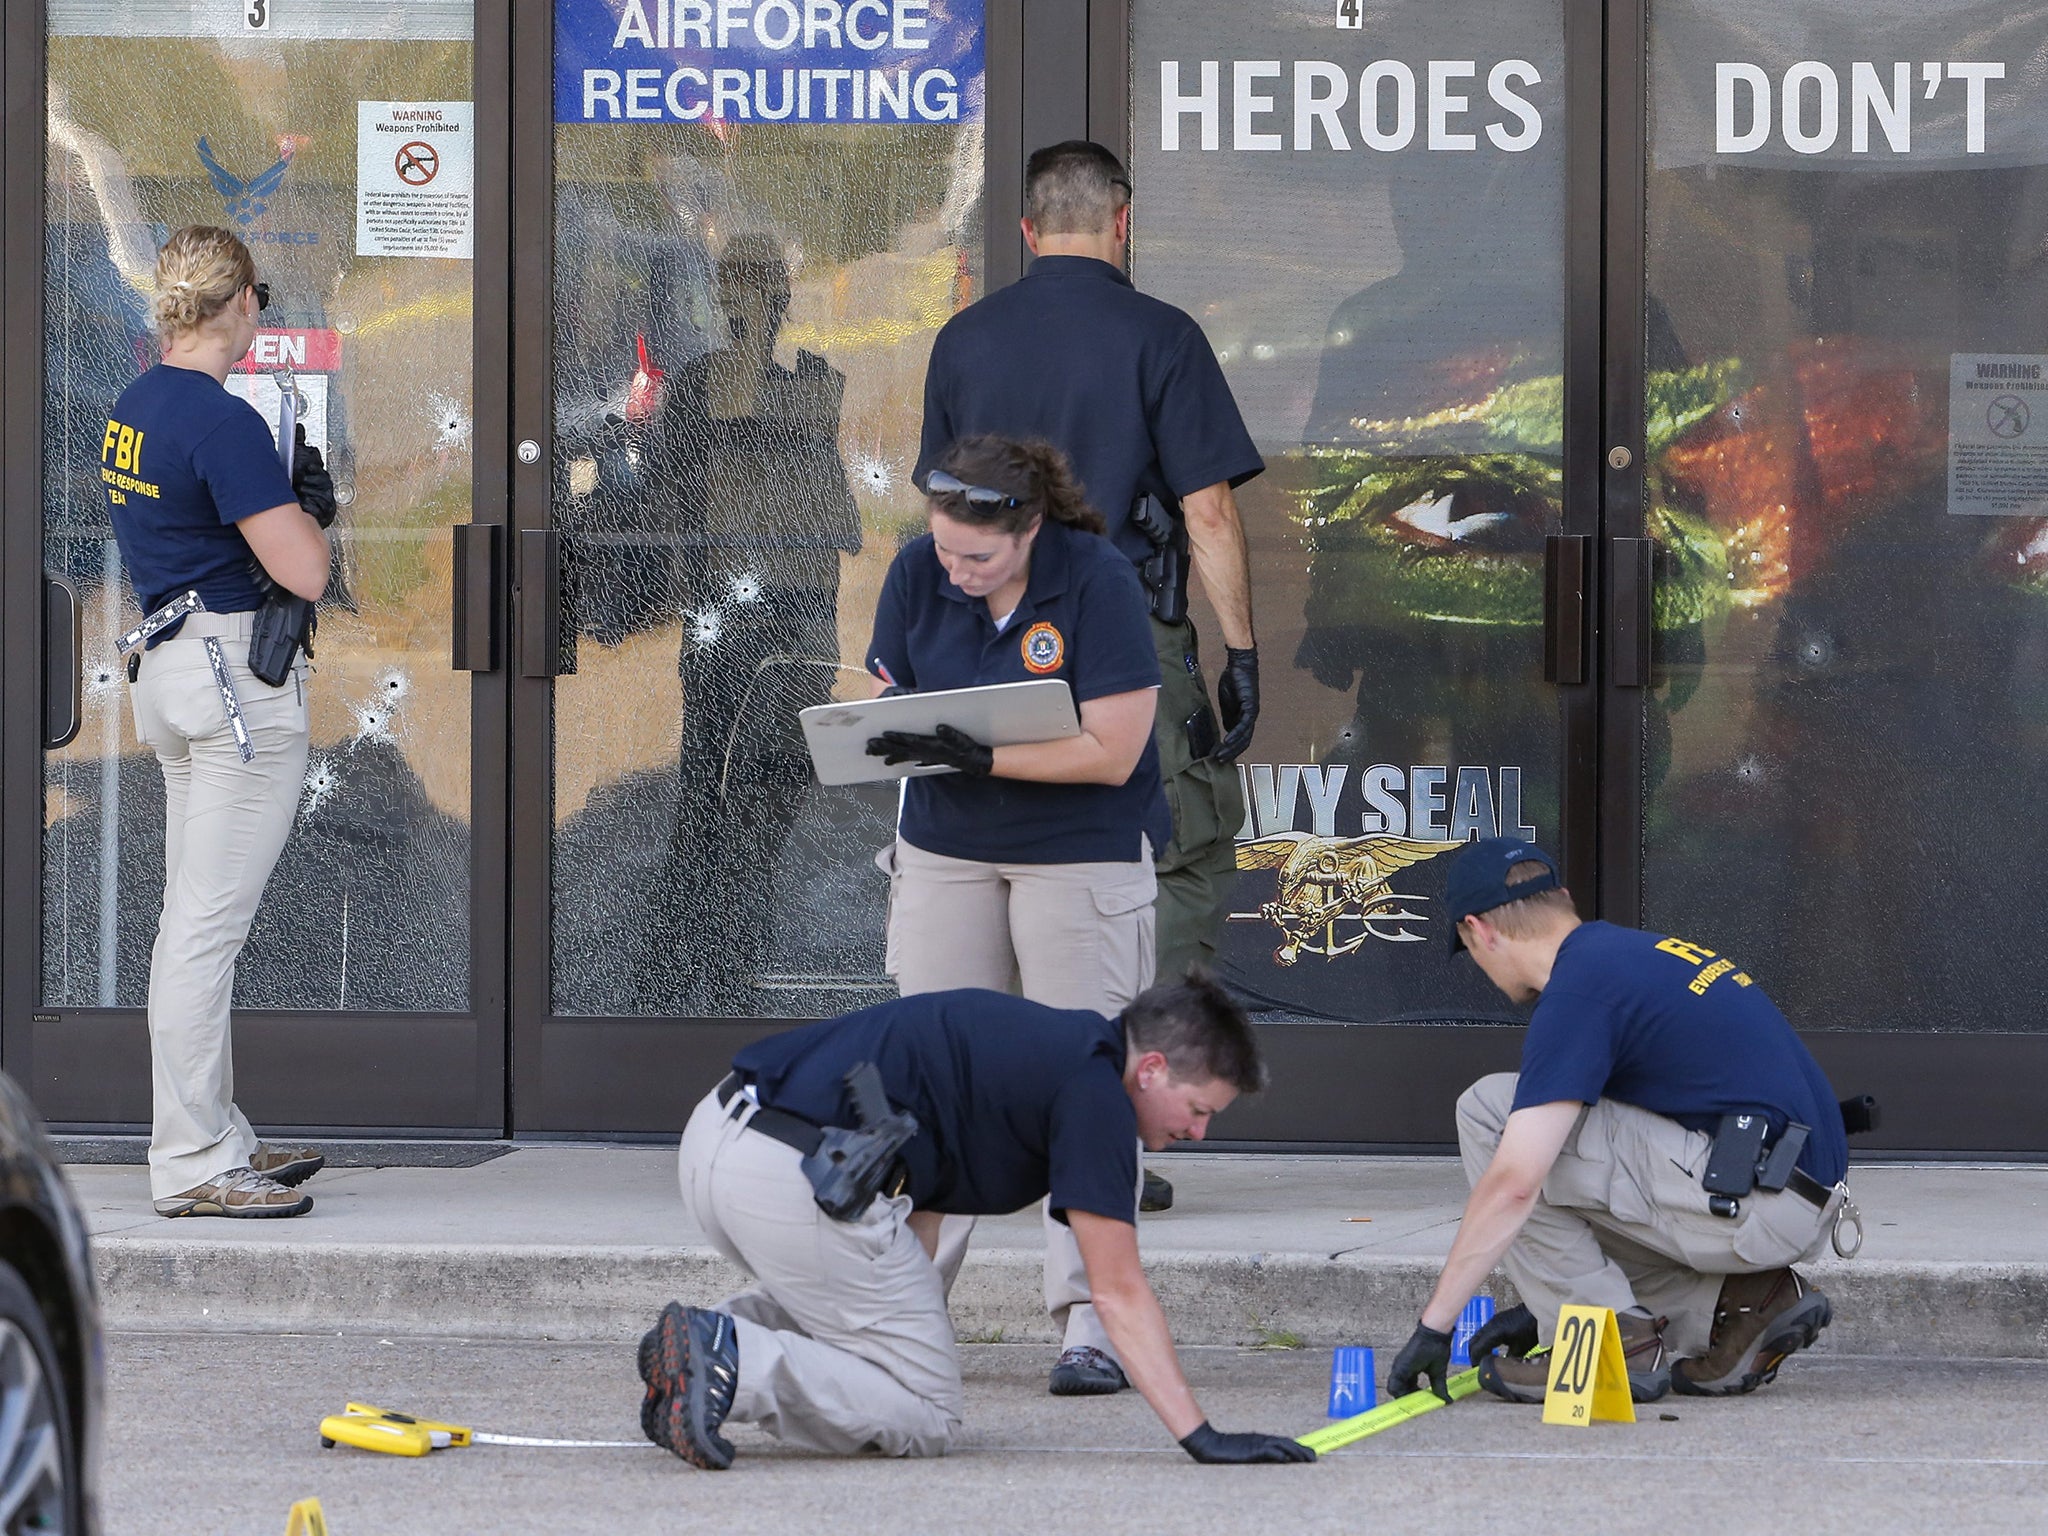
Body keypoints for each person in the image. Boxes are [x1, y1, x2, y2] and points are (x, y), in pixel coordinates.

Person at [638, 976, 1314, 1469]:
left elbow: (921, 1202)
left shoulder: (1048, 1049)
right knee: (924, 1410)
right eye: (1199, 1109)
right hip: (794, 1176)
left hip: (722, 1142)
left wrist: (903, 1320)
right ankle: (731, 1356)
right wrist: (1200, 1435)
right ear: (1155, 1068)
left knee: (887, 1339)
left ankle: (694, 1350)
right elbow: (1117, 1290)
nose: (1197, 1132)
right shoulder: (1097, 1095)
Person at [916, 139, 1264, 1009]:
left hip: (985, 640)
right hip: (1122, 643)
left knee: (1000, 846)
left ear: (1030, 231)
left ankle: (1013, 1078)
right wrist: (1241, 656)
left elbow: (941, 519)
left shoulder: (963, 341)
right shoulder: (1163, 336)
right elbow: (1209, 513)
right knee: (1172, 851)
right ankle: (1121, 1078)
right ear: (1122, 220)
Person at [863, 433, 1168, 1396]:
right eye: (944, 549)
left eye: (977, 558)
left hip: (1078, 851)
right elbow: (888, 699)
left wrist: (977, 753)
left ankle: (1092, 1323)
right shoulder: (919, 572)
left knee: (1086, 1076)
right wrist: (886, 726)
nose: (955, 571)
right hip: (948, 847)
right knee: (925, 1082)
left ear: (1031, 528)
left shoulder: (1097, 580)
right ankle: (900, 1313)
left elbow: (1112, 750)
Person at [1385, 837, 1854, 1405]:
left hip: (1757, 1202)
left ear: (1480, 931)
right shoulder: (1634, 956)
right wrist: (1539, 1307)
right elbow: (1614, 1183)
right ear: (1562, 898)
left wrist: (1434, 1326)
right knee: (1554, 1149)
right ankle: (1746, 1305)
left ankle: (1607, 1342)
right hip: (1785, 1197)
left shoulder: (1580, 992)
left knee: (1490, 1114)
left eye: (1470, 949)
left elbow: (1514, 1185)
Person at [106, 225, 336, 1218]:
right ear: (240, 301)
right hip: (234, 685)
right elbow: (306, 570)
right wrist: (308, 502)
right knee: (205, 930)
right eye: (261, 297)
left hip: (170, 668)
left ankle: (214, 1134)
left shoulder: (137, 405)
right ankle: (196, 1161)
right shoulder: (222, 420)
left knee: (189, 922)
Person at [634, 231, 861, 1015]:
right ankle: (704, 965)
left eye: (756, 288)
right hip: (740, 616)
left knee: (757, 793)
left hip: (781, 611)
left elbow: (825, 512)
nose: (749, 307)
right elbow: (675, 501)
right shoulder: (711, 387)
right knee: (716, 791)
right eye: (741, 288)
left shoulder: (808, 386)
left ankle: (720, 962)